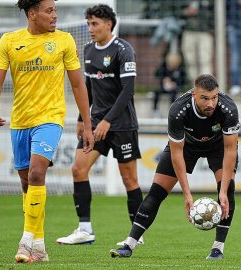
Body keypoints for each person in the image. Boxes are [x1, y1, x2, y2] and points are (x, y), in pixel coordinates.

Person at [0, 0, 94, 263]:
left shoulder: (65, 41)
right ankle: (40, 244)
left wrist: (88, 124)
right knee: (27, 182)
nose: (55, 16)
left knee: (37, 172)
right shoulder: (10, 41)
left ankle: (26, 241)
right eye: (49, 11)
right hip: (20, 122)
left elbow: (79, 85)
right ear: (32, 14)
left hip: (50, 119)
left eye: (55, 10)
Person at [110, 74, 239, 260]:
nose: (210, 103)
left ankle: (218, 248)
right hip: (187, 146)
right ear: (194, 94)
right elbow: (177, 153)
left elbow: (230, 150)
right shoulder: (178, 110)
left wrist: (224, 191)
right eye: (204, 98)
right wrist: (187, 194)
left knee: (228, 191)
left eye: (214, 97)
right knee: (157, 192)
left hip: (219, 147)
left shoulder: (228, 109)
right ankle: (129, 244)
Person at [56, 4, 144, 246]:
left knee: (130, 180)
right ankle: (85, 230)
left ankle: (136, 235)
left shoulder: (123, 50)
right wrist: (82, 119)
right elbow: (88, 86)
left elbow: (128, 90)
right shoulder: (87, 50)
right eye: (88, 24)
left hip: (122, 124)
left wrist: (108, 120)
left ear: (108, 24)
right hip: (96, 124)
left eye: (94, 24)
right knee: (78, 169)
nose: (90, 29)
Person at [181, 0, 214, 82]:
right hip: (188, 31)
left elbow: (215, 11)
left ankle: (206, 84)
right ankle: (194, 84)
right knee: (190, 60)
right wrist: (186, 11)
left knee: (205, 59)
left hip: (205, 32)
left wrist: (199, 12)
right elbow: (174, 10)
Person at [153, 52, 187, 117]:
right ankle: (155, 110)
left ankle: (172, 111)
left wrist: (175, 84)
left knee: (174, 93)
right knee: (157, 91)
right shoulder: (163, 66)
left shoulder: (180, 69)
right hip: (164, 87)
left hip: (174, 88)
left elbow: (183, 81)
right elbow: (157, 74)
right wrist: (164, 79)